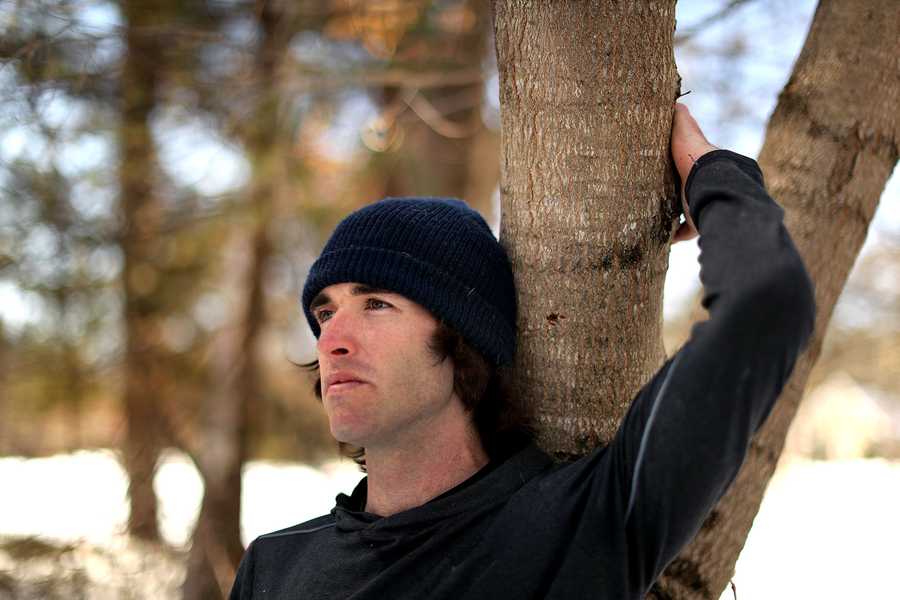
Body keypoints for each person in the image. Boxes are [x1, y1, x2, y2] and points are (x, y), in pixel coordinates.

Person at [228, 103, 815, 599]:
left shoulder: (582, 525)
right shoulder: (275, 567)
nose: (331, 339)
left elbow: (766, 303)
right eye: (324, 312)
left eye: (376, 304)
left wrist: (709, 173)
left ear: (462, 341)